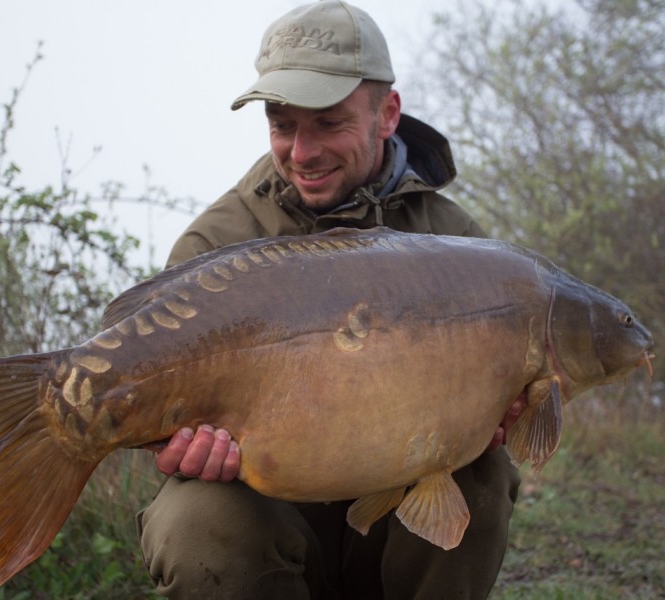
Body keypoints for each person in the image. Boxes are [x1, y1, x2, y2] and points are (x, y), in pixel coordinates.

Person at [137, 2, 523, 598]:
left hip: (402, 514)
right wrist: (176, 447)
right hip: (271, 514)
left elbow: (517, 403)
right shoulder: (217, 243)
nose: (302, 152)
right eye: (282, 124)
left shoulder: (454, 242)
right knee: (197, 521)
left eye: (328, 123)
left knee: (481, 475)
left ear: (386, 113)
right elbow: (151, 408)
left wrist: (498, 410)